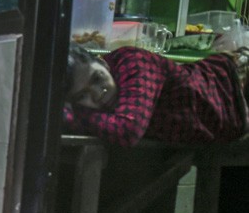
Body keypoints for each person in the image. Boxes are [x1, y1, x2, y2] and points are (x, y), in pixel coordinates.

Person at [63, 44, 249, 147]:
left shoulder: (133, 62)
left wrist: (69, 113)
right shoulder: (103, 115)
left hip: (238, 84)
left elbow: (127, 130)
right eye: (82, 96)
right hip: (234, 119)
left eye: (97, 78)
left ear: (102, 62)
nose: (98, 94)